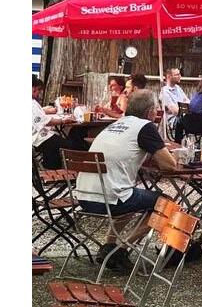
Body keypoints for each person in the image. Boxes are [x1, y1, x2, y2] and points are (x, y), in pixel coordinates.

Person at [75, 90, 178, 272]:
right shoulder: (145, 127)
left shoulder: (115, 124)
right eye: (156, 109)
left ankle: (109, 244)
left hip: (85, 197)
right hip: (111, 199)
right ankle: (121, 249)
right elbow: (170, 165)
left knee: (130, 195)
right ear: (150, 112)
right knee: (168, 205)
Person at [32, 76, 84, 169]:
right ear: (33, 88)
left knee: (71, 136)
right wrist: (63, 120)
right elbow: (47, 122)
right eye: (39, 90)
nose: (39, 93)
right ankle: (56, 171)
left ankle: (53, 170)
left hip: (39, 136)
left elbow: (39, 115)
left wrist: (46, 111)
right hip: (40, 138)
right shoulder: (32, 103)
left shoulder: (33, 102)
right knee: (72, 146)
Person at [158, 68, 189, 132]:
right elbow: (175, 112)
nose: (180, 76)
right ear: (169, 77)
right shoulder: (164, 92)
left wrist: (180, 107)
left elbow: (189, 102)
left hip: (183, 117)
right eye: (177, 75)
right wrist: (184, 107)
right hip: (173, 121)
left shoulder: (178, 88)